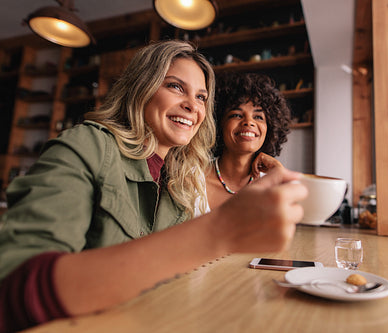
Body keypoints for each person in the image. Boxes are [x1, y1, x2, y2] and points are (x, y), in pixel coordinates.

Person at [0, 40, 307, 333]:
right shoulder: (88, 146)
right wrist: (219, 230)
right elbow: (10, 291)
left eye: (201, 97)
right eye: (175, 86)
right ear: (141, 87)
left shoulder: (182, 179)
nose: (192, 106)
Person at [199, 72, 292, 213]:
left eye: (258, 117)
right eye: (236, 115)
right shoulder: (192, 179)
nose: (249, 122)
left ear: (270, 128)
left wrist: (279, 174)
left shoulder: (273, 186)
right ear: (219, 124)